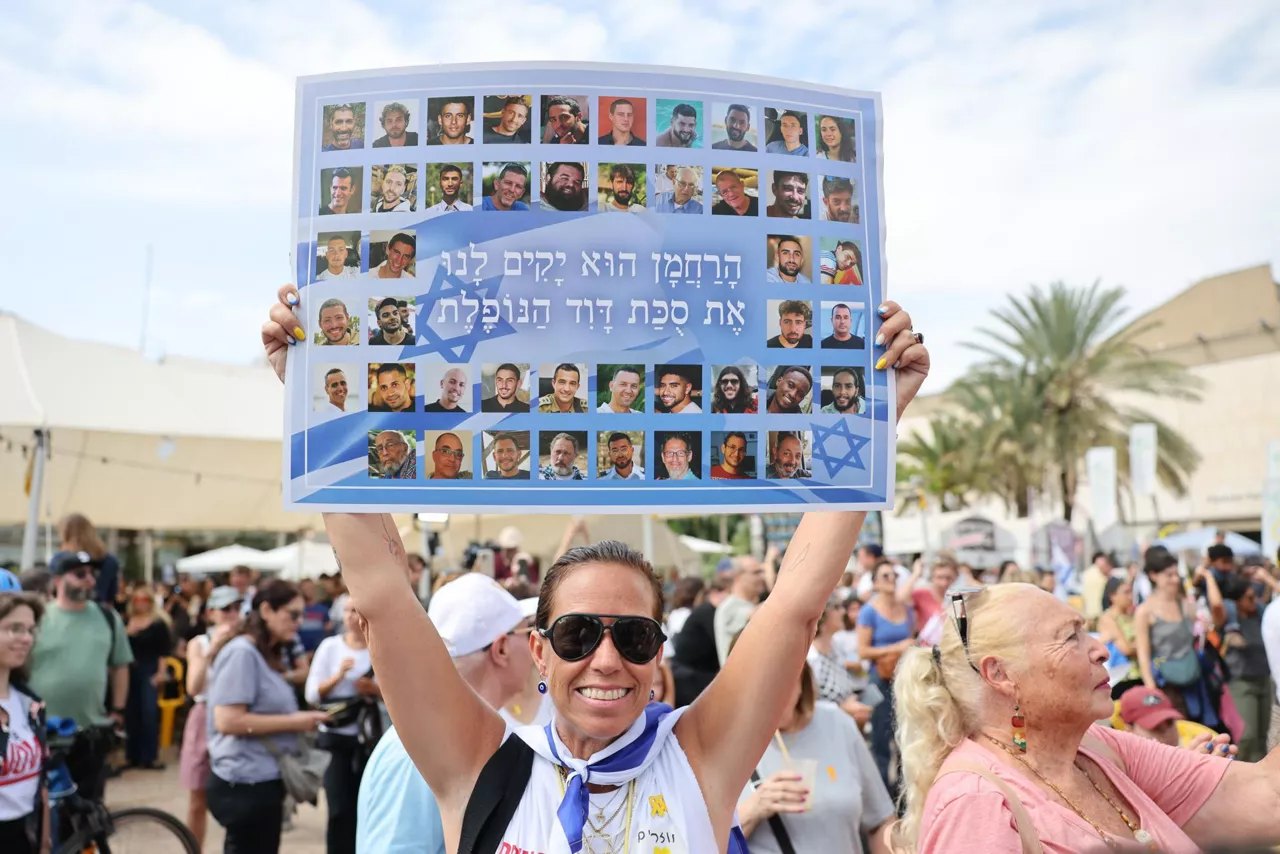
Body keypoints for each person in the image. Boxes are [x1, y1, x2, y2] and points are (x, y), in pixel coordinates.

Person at [262, 287, 927, 854]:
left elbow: (793, 605)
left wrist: (875, 414)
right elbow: (383, 599)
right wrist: (316, 397)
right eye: (579, 633)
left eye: (633, 636)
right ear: (538, 650)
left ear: (658, 653)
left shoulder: (698, 755)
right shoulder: (479, 759)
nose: (607, 659)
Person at [891, 583, 1279, 854]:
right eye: (1070, 636)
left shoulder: (1094, 747)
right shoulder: (976, 803)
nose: (1100, 650)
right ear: (1001, 675)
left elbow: (1268, 800)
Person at [356, 574, 535, 854]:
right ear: (501, 648)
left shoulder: (445, 740)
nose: (536, 648)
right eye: (527, 633)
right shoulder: (420, 752)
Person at [205, 580, 329, 854]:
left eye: (302, 614)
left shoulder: (263, 652)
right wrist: (296, 721)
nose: (299, 622)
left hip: (259, 779)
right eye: (292, 614)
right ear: (266, 610)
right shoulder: (242, 653)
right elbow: (227, 721)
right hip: (244, 782)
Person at [739, 660, 891, 854]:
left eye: (782, 682)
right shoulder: (724, 746)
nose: (773, 695)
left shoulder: (838, 724)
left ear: (801, 679)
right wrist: (753, 809)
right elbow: (703, 843)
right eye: (761, 686)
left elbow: (880, 821)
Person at [27, 551, 131, 808]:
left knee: (87, 813)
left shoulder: (108, 618)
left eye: (92, 574)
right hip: (40, 734)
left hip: (89, 733)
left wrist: (117, 710)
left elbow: (120, 666)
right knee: (41, 814)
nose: (89, 580)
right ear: (58, 579)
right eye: (80, 574)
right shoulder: (38, 617)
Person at [306, 596, 383, 854]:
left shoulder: (380, 647)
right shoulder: (330, 647)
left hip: (369, 739)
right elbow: (312, 694)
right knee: (338, 807)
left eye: (357, 611)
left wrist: (374, 689)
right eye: (348, 611)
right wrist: (338, 676)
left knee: (367, 806)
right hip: (335, 737)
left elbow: (401, 693)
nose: (352, 616)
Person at [181, 585, 243, 853]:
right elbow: (193, 687)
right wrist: (213, 649)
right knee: (197, 796)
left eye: (236, 608)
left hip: (237, 716)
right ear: (211, 613)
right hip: (204, 713)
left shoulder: (247, 641)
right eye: (225, 609)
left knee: (239, 794)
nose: (232, 614)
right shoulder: (199, 643)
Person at [1135, 550, 1221, 720]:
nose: (1175, 579)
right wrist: (1151, 688)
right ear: (1153, 575)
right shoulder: (1144, 611)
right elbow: (1143, 653)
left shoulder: (1185, 604)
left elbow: (1214, 621)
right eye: (1169, 575)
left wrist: (1209, 579)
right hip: (1166, 683)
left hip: (1194, 677)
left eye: (1176, 574)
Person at [858, 560, 915, 794]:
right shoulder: (869, 611)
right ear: (874, 583)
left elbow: (911, 638)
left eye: (893, 575)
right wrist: (896, 648)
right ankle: (883, 795)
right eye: (885, 576)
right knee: (882, 738)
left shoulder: (905, 608)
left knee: (906, 736)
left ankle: (905, 793)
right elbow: (862, 651)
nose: (891, 579)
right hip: (880, 680)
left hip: (904, 678)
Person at [0, 590, 48, 854]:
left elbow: (40, 784)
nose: (26, 638)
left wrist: (44, 843)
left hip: (23, 834)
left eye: (29, 630)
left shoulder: (29, 703)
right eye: (13, 628)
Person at [1220, 576, 1273, 761]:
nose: (1255, 601)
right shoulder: (1229, 622)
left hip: (1264, 680)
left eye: (1255, 596)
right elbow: (1218, 607)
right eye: (1249, 598)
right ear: (1236, 601)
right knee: (1247, 735)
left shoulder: (1261, 615)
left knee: (1262, 737)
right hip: (1241, 683)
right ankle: (1239, 770)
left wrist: (1269, 579)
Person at [124, 588, 172, 770]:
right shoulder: (127, 622)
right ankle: (132, 755)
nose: (140, 603)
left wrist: (160, 673)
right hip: (130, 671)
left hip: (149, 669)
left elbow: (163, 652)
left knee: (149, 713)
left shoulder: (159, 624)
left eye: (144, 599)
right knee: (131, 713)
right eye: (137, 599)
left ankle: (149, 756)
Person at [808, 601, 875, 724]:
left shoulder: (836, 646)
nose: (843, 612)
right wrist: (843, 709)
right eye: (836, 607)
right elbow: (807, 706)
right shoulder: (809, 659)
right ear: (822, 614)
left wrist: (852, 701)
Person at [53, 514, 119, 605]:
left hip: (69, 611)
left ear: (66, 535)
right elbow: (110, 597)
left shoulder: (61, 560)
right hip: (98, 613)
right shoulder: (109, 561)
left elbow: (53, 590)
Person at [714, 557, 766, 666]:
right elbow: (758, 614)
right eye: (756, 572)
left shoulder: (747, 604)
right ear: (738, 577)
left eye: (762, 572)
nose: (762, 577)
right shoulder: (728, 608)